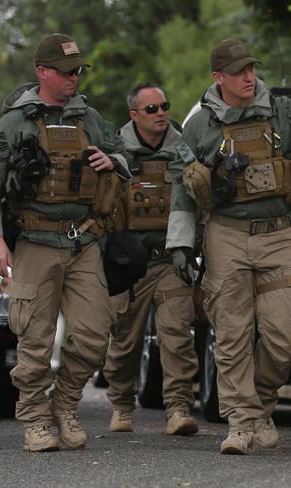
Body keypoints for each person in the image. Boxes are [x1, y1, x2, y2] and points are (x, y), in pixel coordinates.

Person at [166, 38, 291, 455]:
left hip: (277, 233)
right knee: (232, 334)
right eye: (239, 71)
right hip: (225, 234)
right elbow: (183, 190)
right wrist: (181, 246)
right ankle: (241, 422)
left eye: (251, 68)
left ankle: (259, 404)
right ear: (218, 77)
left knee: (283, 336)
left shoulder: (281, 110)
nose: (248, 76)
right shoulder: (199, 126)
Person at [0, 33, 130, 452]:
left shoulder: (90, 118)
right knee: (35, 339)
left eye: (79, 71)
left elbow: (123, 152)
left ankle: (64, 404)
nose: (75, 78)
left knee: (96, 333)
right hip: (36, 243)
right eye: (66, 71)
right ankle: (37, 420)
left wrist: (112, 161)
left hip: (84, 241)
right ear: (43, 72)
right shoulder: (14, 121)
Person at [104, 82, 199, 436]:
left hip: (171, 259)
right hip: (131, 264)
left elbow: (199, 198)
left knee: (177, 335)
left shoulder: (184, 150)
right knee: (124, 338)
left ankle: (177, 408)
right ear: (134, 116)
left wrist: (191, 247)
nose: (161, 114)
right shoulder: (115, 152)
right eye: (152, 109)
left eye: (164, 106)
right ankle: (122, 404)